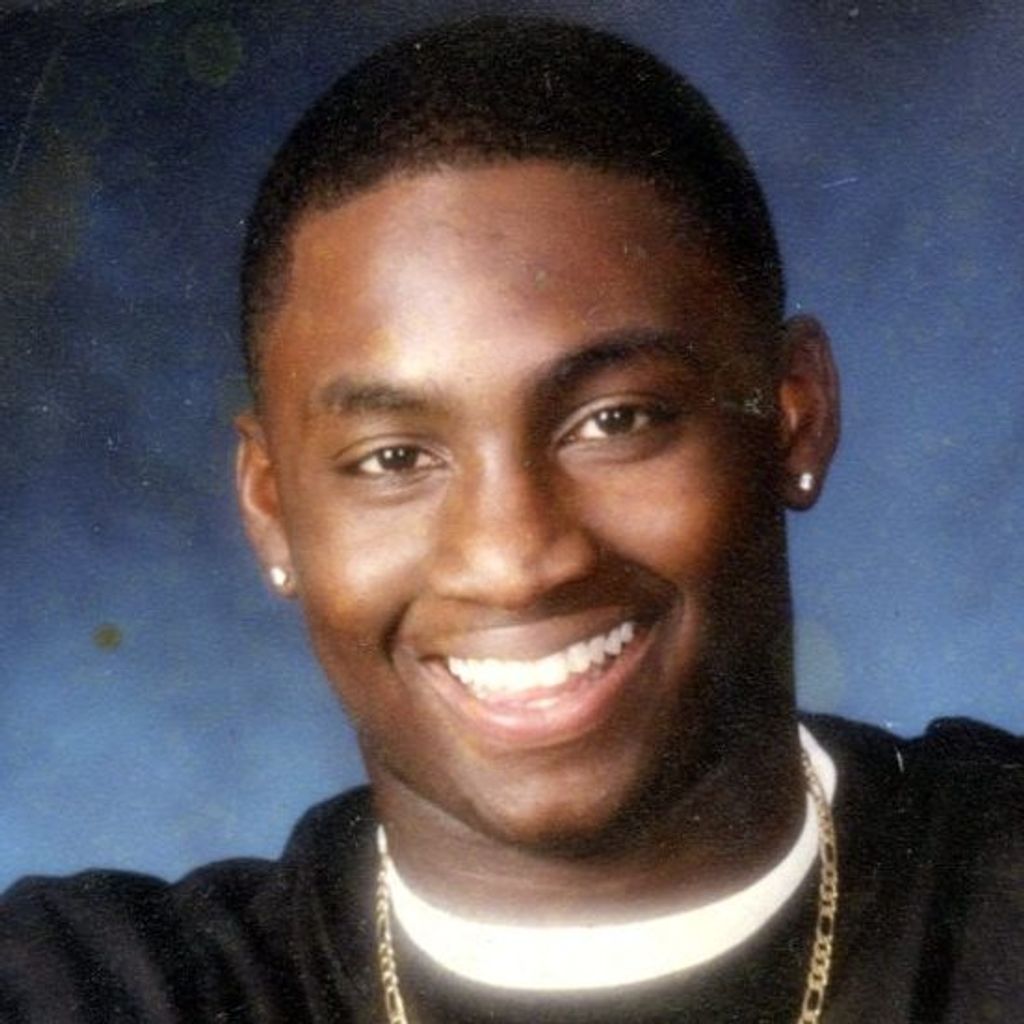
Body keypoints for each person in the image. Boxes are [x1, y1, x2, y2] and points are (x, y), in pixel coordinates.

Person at [1, 16, 1021, 1023]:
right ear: (270, 506)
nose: (514, 560)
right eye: (395, 459)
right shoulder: (96, 991)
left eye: (615, 420)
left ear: (794, 413)